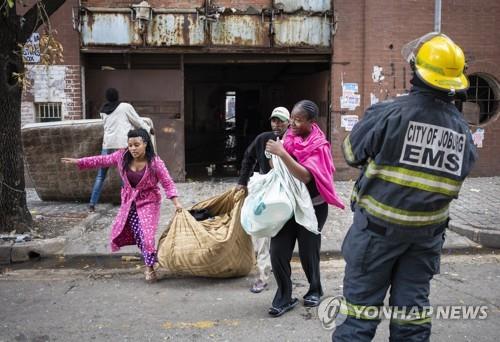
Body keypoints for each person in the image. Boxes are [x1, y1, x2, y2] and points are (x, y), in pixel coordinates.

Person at [332, 33, 477, 341]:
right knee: (412, 319)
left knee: (359, 317)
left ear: (416, 72)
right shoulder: (463, 133)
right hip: (425, 239)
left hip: (377, 234)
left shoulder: (389, 113)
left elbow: (350, 154)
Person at [62, 128, 182, 282]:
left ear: (145, 144)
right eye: (130, 145)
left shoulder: (155, 162)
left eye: (136, 145)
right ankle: (152, 259)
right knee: (139, 234)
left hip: (149, 201)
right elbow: (101, 160)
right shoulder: (121, 156)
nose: (133, 148)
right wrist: (79, 161)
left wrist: (177, 203)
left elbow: (167, 182)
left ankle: (149, 267)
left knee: (147, 235)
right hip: (129, 201)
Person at [265, 100, 345, 317]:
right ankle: (284, 295)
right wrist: (272, 157)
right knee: (277, 251)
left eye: (298, 120)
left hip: (313, 207)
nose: (292, 123)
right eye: (292, 117)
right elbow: (281, 171)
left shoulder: (319, 145)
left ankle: (315, 289)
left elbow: (306, 175)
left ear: (311, 122)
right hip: (287, 206)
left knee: (309, 253)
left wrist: (281, 153)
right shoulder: (288, 138)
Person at [236, 106, 290, 293]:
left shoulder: (294, 140)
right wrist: (242, 182)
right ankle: (262, 275)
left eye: (281, 120)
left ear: (288, 122)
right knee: (260, 232)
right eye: (274, 120)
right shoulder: (263, 139)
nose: (277, 124)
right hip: (266, 192)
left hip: (287, 193)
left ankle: (280, 268)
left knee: (283, 235)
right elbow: (248, 158)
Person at [88, 88, 154, 212]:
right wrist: (148, 129)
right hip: (122, 145)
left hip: (107, 145)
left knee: (101, 175)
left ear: (107, 97)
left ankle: (92, 203)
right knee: (125, 176)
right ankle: (127, 204)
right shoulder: (125, 107)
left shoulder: (102, 110)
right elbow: (137, 121)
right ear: (118, 96)